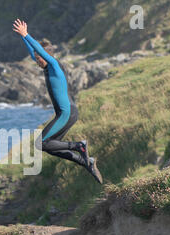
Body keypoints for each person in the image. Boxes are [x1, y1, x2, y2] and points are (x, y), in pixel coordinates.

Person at [13, 19, 103, 184]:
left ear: (46, 56)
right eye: (36, 58)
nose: (37, 60)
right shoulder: (46, 66)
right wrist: (23, 37)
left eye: (39, 58)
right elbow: (35, 52)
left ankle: (79, 146)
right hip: (67, 113)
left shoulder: (54, 65)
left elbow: (39, 51)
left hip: (67, 113)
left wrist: (27, 34)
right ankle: (86, 162)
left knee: (41, 143)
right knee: (50, 147)